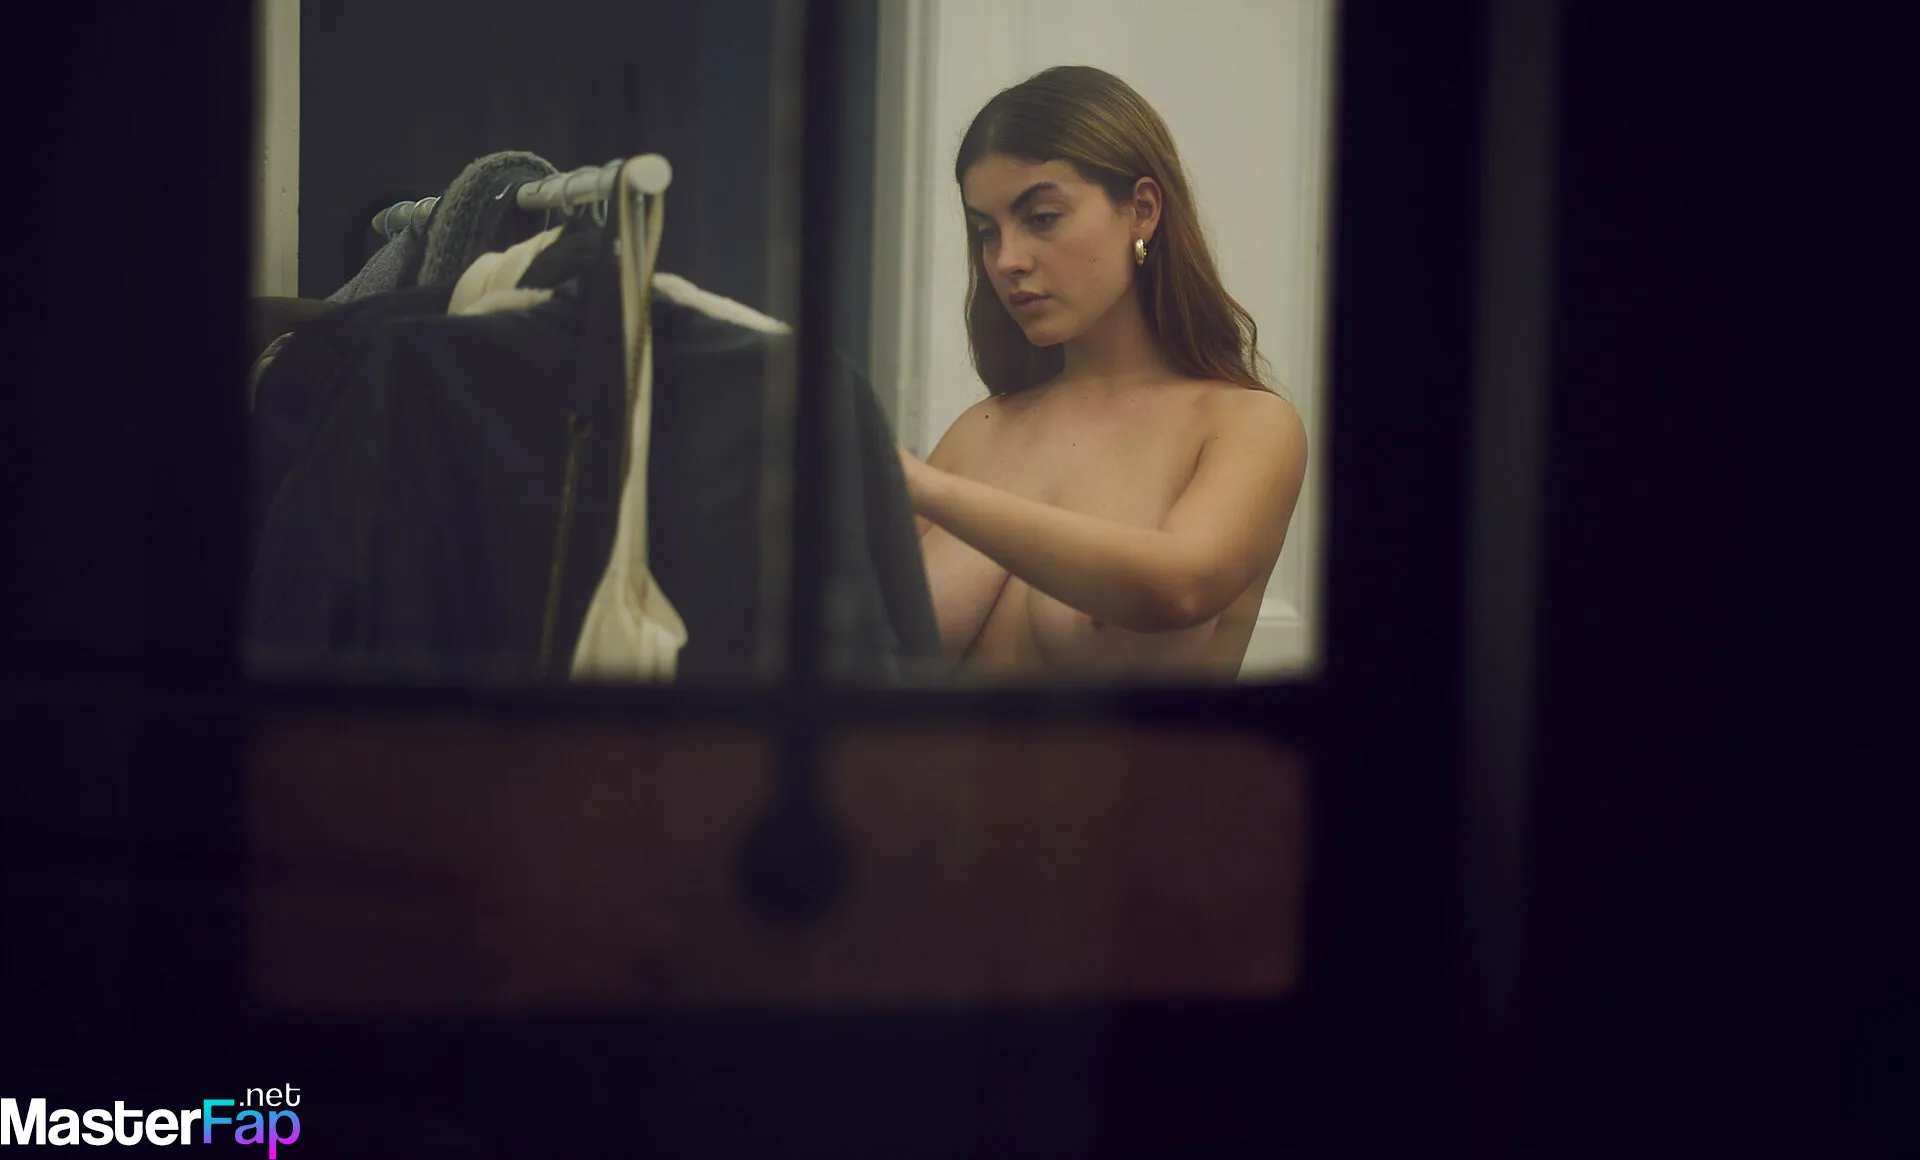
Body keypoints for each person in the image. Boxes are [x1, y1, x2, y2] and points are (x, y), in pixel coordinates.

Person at [897, 65, 1309, 679]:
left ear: (1142, 209)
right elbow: (857, 641)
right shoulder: (980, 428)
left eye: (1042, 217)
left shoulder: (1246, 425)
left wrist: (921, 486)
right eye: (986, 232)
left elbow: (1178, 588)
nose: (1006, 260)